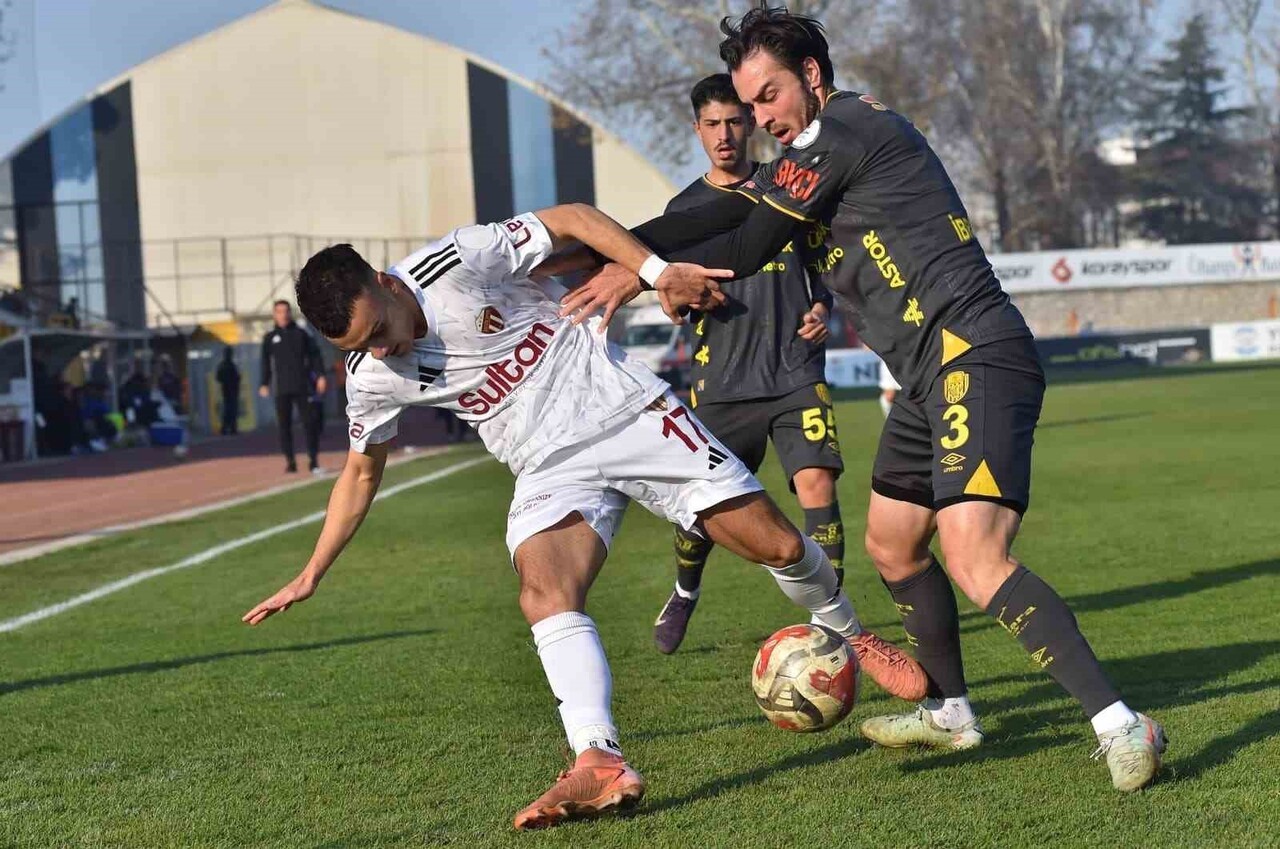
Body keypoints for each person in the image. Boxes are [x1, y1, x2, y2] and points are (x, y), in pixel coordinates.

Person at [556, 4, 1165, 792]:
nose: (761, 118)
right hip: (926, 372)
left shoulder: (841, 134)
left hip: (971, 352)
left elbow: (744, 244)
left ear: (811, 76)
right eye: (750, 106)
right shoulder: (816, 145)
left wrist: (635, 266)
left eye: (770, 96)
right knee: (892, 543)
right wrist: (608, 248)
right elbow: (725, 210)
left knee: (976, 557)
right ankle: (950, 710)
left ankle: (1122, 722)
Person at [241, 203, 924, 830]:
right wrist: (312, 572)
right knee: (543, 589)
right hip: (547, 463)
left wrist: (654, 275)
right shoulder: (370, 375)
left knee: (776, 545)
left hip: (624, 410)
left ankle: (849, 632)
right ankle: (597, 758)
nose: (381, 351)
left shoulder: (457, 262)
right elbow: (361, 472)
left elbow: (570, 218)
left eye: (378, 332)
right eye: (361, 346)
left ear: (387, 285)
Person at [651, 73, 848, 656]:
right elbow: (672, 289)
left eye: (735, 120)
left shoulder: (784, 184)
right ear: (697, 130)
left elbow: (824, 264)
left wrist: (822, 304)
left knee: (818, 486)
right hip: (723, 381)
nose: (725, 134)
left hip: (795, 369)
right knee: (702, 508)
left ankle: (830, 622)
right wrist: (684, 299)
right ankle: (685, 591)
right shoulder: (685, 209)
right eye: (712, 124)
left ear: (751, 121)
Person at [259, 300, 326, 473]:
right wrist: (264, 383)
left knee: (310, 423)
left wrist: (320, 376)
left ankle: (313, 460)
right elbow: (265, 363)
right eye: (279, 312)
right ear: (274, 314)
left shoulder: (301, 334)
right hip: (282, 389)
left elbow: (315, 356)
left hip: (302, 386)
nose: (283, 315)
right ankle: (290, 461)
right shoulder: (269, 338)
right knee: (284, 427)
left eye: (286, 311)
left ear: (290, 313)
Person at [216, 347, 241, 435]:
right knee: (230, 409)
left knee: (230, 409)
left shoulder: (225, 365)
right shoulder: (228, 365)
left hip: (228, 390)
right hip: (230, 390)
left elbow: (218, 377)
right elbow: (237, 377)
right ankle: (229, 428)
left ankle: (228, 428)